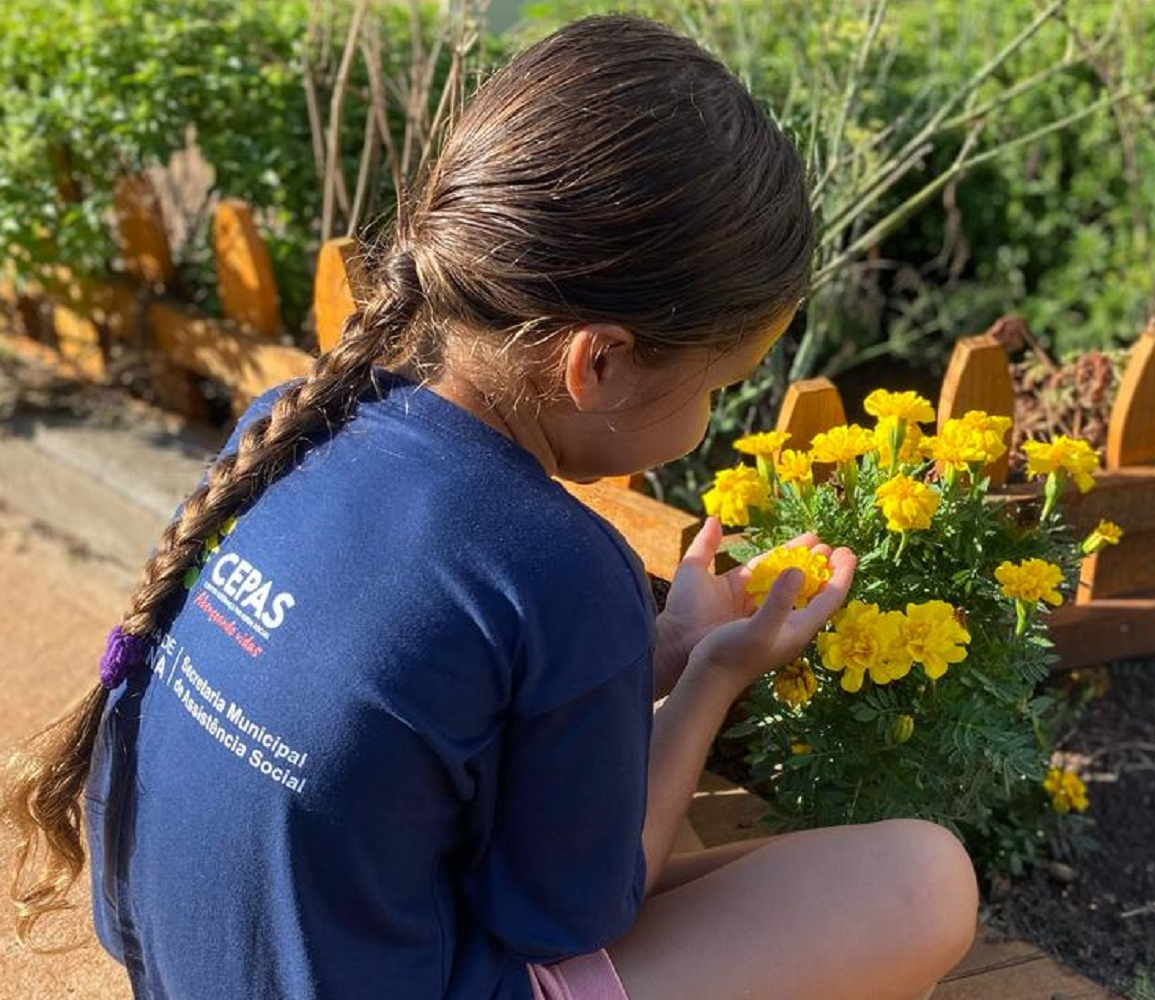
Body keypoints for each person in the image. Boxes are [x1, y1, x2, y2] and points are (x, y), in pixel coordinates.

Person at [4, 15, 978, 1000]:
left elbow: (402, 702)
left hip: (190, 975)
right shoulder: (563, 564)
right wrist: (711, 680)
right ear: (596, 362)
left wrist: (659, 651)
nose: (714, 414)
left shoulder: (288, 429)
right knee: (921, 883)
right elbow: (568, 917)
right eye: (719, 383)